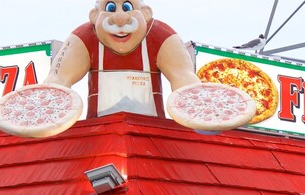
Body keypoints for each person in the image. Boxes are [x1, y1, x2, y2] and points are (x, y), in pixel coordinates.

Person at [45, 0, 200, 118]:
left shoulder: (162, 35)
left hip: (151, 131)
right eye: (110, 8)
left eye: (127, 7)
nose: (120, 18)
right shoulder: (83, 37)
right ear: (94, 15)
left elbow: (185, 79)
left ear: (146, 13)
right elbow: (58, 79)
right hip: (99, 133)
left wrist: (198, 114)